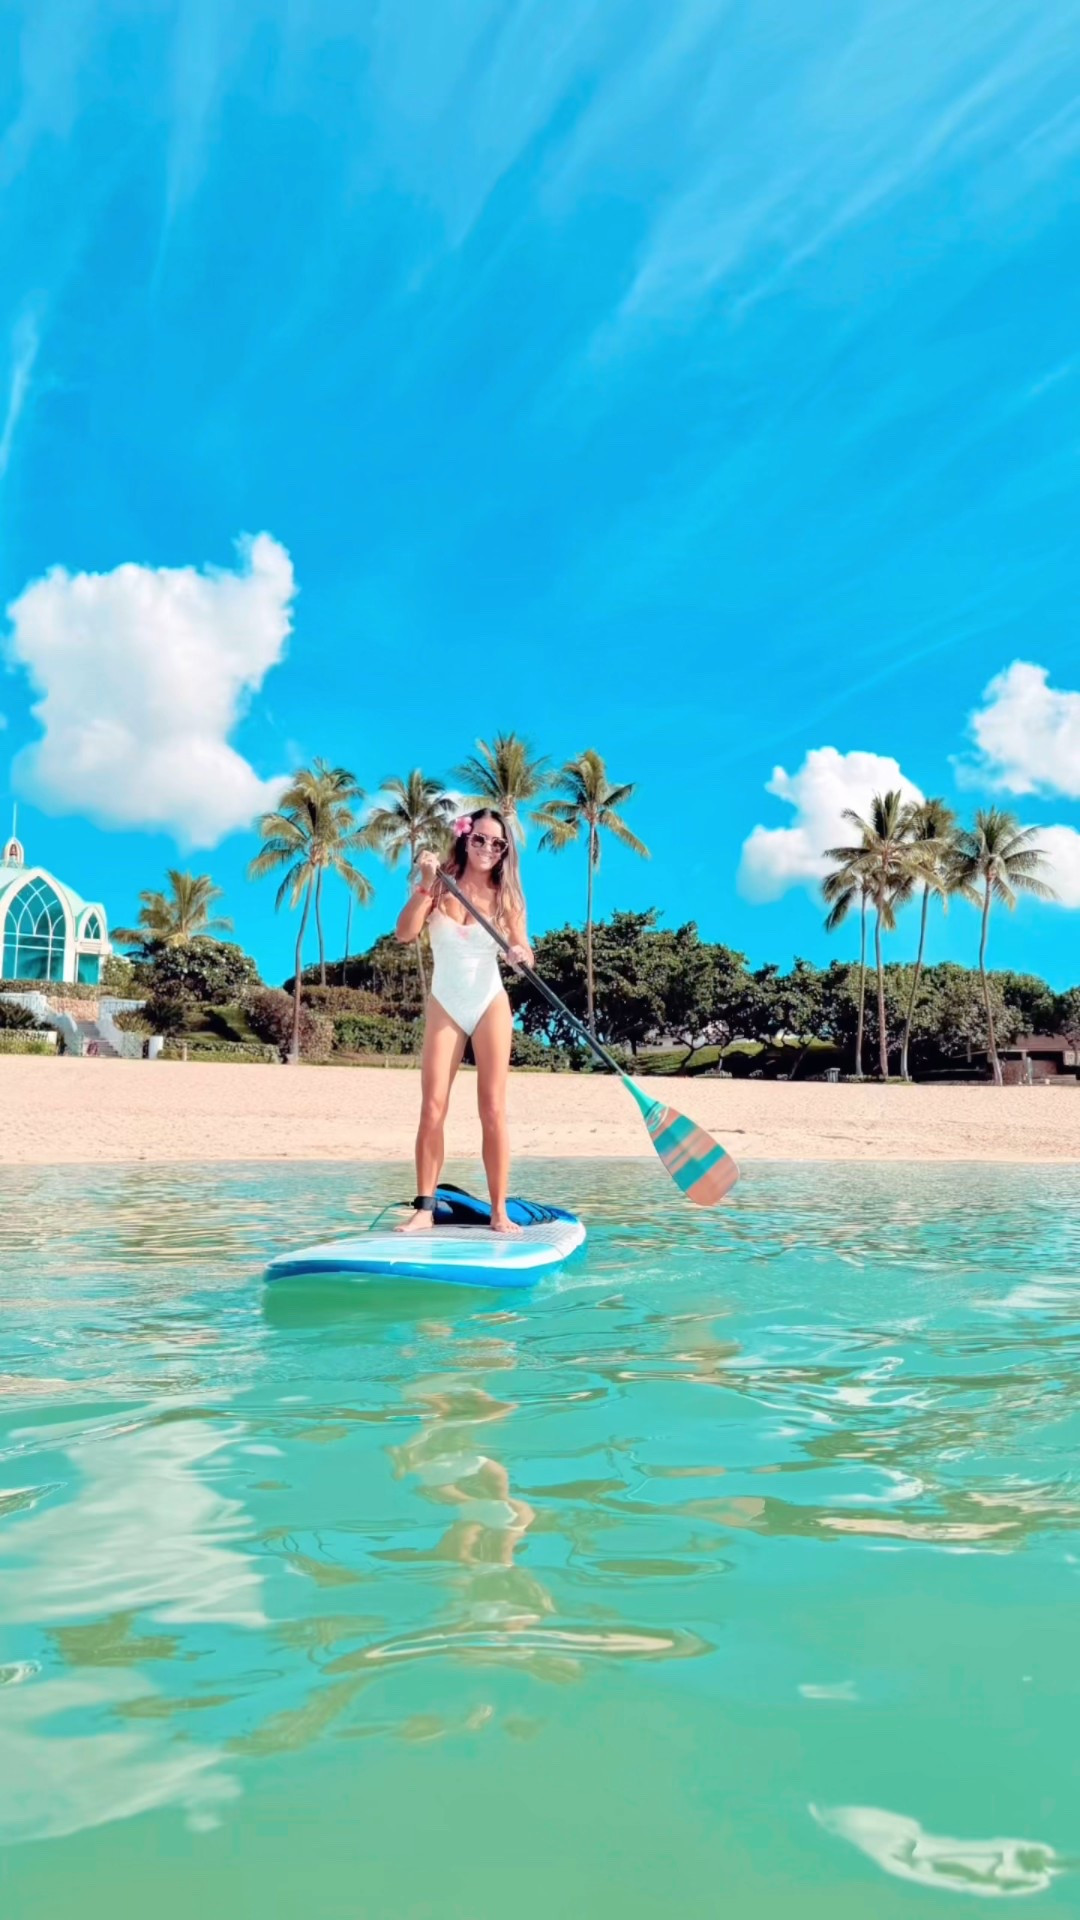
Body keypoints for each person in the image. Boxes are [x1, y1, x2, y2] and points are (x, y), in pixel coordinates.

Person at [394, 809, 533, 1233]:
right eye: (480, 840)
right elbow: (404, 933)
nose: (488, 849)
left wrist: (520, 954)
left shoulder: (507, 897)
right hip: (446, 1003)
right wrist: (423, 884)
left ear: (505, 850)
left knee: (492, 1109)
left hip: (489, 1001)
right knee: (433, 1106)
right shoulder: (439, 885)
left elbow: (522, 944)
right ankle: (425, 1208)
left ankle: (498, 1212)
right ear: (465, 839)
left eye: (497, 843)